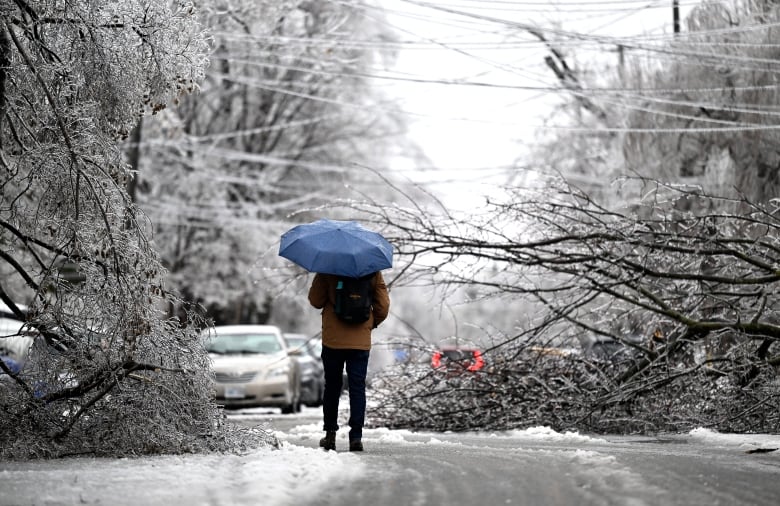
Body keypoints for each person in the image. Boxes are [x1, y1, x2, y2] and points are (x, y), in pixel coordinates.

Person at [308, 271, 390, 452]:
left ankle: (330, 434)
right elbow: (383, 307)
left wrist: (321, 277)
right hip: (360, 341)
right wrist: (369, 323)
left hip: (332, 340)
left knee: (332, 386)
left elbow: (315, 300)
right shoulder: (373, 271)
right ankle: (356, 437)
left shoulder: (327, 268)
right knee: (357, 387)